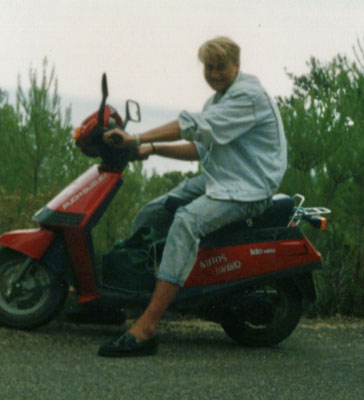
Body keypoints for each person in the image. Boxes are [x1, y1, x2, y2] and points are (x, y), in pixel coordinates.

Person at [98, 36, 287, 357]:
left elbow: (196, 126)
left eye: (221, 67)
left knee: (186, 222)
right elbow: (200, 147)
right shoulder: (219, 101)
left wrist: (136, 137)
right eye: (209, 68)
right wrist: (151, 148)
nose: (214, 74)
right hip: (222, 179)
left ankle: (147, 327)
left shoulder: (248, 97)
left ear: (237, 65)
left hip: (249, 187)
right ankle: (123, 300)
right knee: (152, 213)